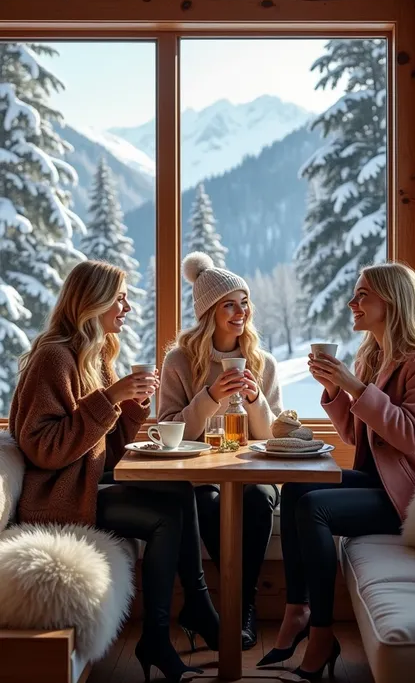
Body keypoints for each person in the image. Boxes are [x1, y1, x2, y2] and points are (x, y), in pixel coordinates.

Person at [9, 260, 218, 683]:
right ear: (93, 302)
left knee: (180, 493)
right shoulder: (54, 357)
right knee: (167, 515)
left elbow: (107, 447)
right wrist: (111, 398)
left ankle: (191, 605)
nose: (126, 307)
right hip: (59, 497)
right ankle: (162, 633)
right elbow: (44, 448)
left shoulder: (97, 354)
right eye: (119, 298)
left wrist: (130, 410)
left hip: (89, 483)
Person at [258, 262, 415, 681]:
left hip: (411, 497)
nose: (352, 303)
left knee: (314, 508)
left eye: (362, 295)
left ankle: (321, 633)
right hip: (380, 484)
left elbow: (410, 436)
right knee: (300, 487)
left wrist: (354, 387)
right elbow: (357, 436)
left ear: (390, 302)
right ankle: (297, 608)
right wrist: (337, 389)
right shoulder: (374, 354)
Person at [158, 251, 283, 649]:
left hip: (252, 471)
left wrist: (254, 400)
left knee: (260, 498)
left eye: (244, 302)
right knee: (208, 504)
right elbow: (168, 431)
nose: (239, 311)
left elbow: (271, 436)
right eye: (229, 304)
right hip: (198, 474)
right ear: (209, 312)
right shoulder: (179, 361)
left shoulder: (262, 363)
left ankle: (240, 605)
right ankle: (231, 607)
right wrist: (210, 396)